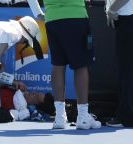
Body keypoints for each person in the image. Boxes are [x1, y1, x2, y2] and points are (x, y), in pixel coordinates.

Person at [25, 0, 101, 129]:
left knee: (58, 65)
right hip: (75, 16)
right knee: (81, 66)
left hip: (52, 20)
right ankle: (82, 117)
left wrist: (38, 14)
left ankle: (60, 117)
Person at [105, 0, 133, 127]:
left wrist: (111, 10)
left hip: (128, 18)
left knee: (126, 69)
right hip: (124, 18)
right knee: (124, 68)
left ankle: (127, 116)